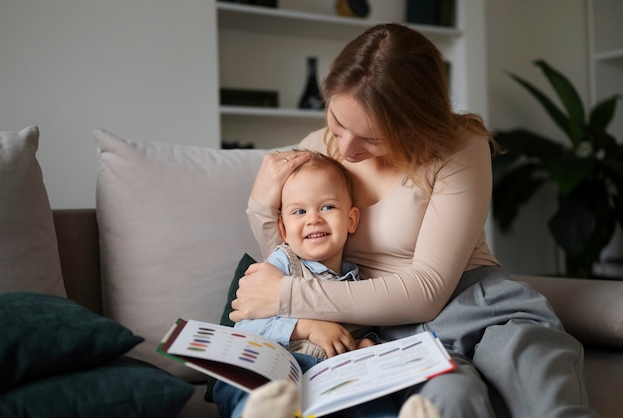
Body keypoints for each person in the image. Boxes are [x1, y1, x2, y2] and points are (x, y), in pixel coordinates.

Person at [230, 23, 598, 418]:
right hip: (392, 336)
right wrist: (261, 204)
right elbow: (300, 259)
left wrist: (285, 295)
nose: (346, 148)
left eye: (371, 138)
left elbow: (428, 290)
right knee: (450, 401)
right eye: (337, 122)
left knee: (542, 391)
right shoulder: (315, 152)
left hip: (478, 304)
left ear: (415, 123)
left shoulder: (459, 145)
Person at [213, 152, 408, 418]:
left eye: (327, 207)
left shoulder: (357, 282)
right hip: (275, 367)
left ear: (351, 220)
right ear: (284, 229)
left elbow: (364, 328)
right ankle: (260, 411)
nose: (313, 218)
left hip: (326, 379)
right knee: (249, 384)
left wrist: (365, 344)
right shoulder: (281, 263)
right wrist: (307, 327)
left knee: (372, 400)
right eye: (299, 211)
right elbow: (246, 326)